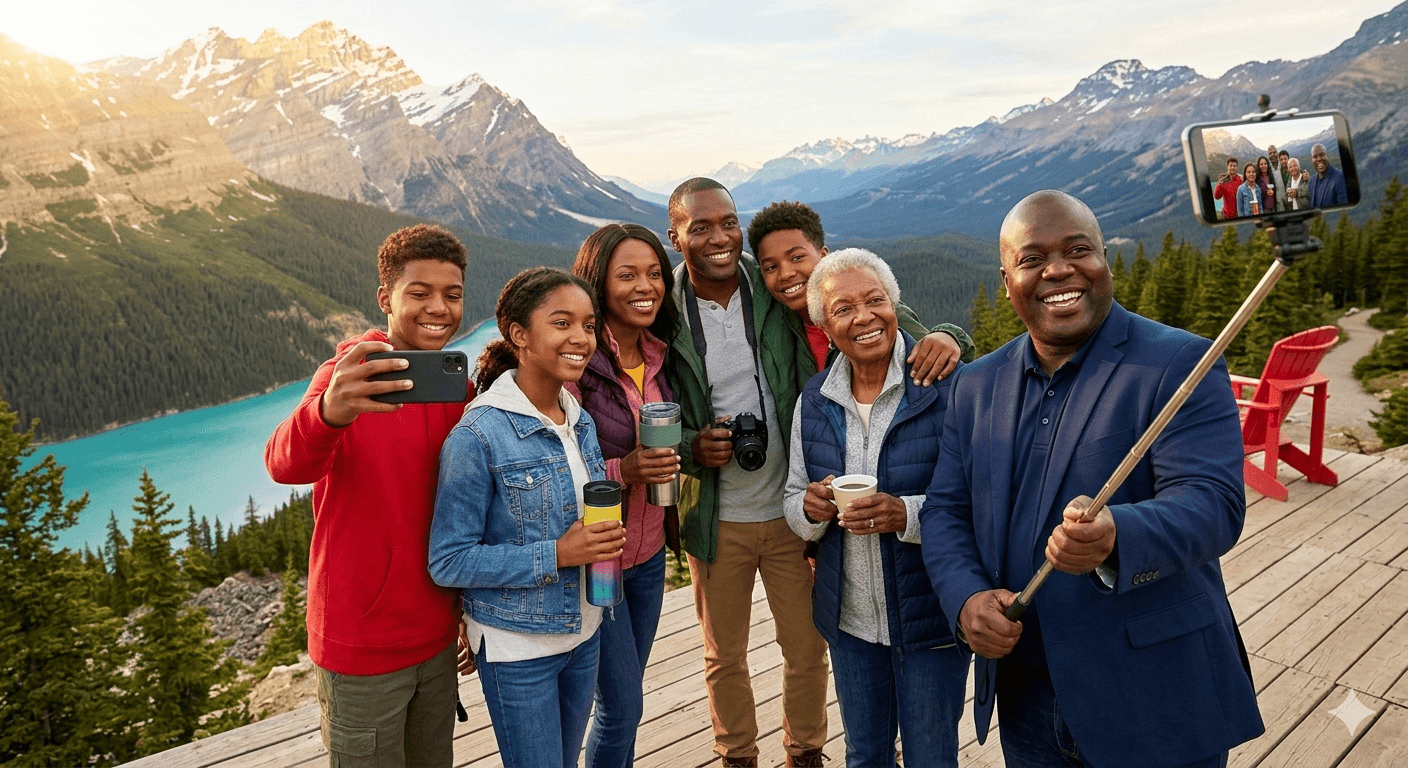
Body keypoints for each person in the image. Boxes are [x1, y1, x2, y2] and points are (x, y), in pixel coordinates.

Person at [920, 190, 1264, 767]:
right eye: (1032, 259)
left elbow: (1213, 504)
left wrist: (1117, 535)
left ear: (1105, 260)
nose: (1058, 269)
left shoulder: (1179, 364)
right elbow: (945, 510)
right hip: (1028, 696)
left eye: (1078, 249)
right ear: (1007, 281)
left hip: (1154, 691)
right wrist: (967, 598)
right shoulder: (976, 387)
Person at [264, 224, 472, 768]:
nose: (439, 308)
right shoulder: (346, 379)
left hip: (436, 638)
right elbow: (283, 464)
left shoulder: (458, 391)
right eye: (419, 292)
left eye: (452, 295)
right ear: (386, 299)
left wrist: (467, 612)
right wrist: (329, 412)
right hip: (361, 646)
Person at [429, 267, 627, 768]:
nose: (580, 338)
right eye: (562, 323)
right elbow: (449, 561)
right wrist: (559, 553)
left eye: (587, 325)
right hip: (517, 648)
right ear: (519, 334)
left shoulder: (576, 416)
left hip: (584, 631)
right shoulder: (478, 434)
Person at [783, 249, 971, 767]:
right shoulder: (815, 399)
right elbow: (792, 497)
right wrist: (812, 508)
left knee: (931, 755)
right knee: (864, 755)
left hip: (931, 614)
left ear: (895, 305)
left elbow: (981, 501)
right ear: (825, 325)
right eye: (842, 309)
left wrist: (906, 515)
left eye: (874, 300)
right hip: (850, 621)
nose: (863, 317)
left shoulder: (946, 386)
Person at [666, 178, 829, 767]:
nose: (719, 237)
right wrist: (691, 447)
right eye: (701, 226)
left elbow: (862, 294)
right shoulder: (665, 308)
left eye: (728, 222)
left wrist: (945, 332)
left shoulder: (771, 284)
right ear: (675, 235)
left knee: (807, 647)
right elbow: (638, 402)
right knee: (723, 655)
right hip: (716, 517)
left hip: (791, 509)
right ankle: (736, 755)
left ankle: (805, 751)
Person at [566, 224, 682, 768]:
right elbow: (552, 465)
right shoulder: (578, 364)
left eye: (655, 273)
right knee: (621, 707)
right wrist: (626, 468)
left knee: (627, 696)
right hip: (600, 562)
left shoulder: (662, 355)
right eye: (627, 274)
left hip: (650, 553)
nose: (646, 286)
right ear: (598, 283)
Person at [746, 200, 974, 379]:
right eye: (771, 267)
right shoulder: (778, 321)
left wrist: (950, 335)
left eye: (797, 257)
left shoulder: (872, 310)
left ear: (824, 255)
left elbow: (934, 352)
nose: (785, 274)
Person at [1308, 143, 1349, 208]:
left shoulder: (1340, 178)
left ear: (1328, 156)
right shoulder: (1311, 181)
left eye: (1322, 155)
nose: (1319, 159)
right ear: (1312, 160)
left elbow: (1344, 210)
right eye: (1315, 157)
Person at [1266, 145, 1289, 211]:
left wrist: (1303, 172)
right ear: (1268, 156)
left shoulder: (1283, 163)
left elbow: (1294, 168)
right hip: (1278, 202)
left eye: (1274, 152)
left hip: (1289, 197)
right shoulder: (1268, 168)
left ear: (1277, 153)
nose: (1272, 155)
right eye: (1270, 153)